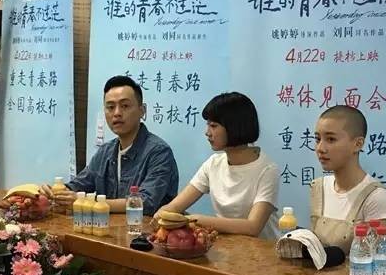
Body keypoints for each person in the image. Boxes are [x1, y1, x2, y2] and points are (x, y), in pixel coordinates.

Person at [41, 76, 179, 215]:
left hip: (146, 228)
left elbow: (146, 202)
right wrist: (55, 193)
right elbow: (78, 186)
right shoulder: (105, 151)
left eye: (125, 106)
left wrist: (87, 202)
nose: (117, 113)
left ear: (142, 110)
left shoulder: (159, 152)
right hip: (109, 228)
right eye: (111, 107)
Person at [154, 92, 280, 240]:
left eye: (213, 126)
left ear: (235, 127)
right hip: (227, 246)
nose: (207, 133)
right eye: (208, 125)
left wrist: (194, 220)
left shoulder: (267, 170)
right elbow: (175, 207)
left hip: (261, 250)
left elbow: (252, 227)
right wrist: (162, 215)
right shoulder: (213, 163)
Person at [310, 105, 386, 254]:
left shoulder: (375, 196)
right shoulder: (319, 186)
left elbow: (376, 258)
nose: (320, 148)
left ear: (358, 144)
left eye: (331, 139)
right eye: (317, 139)